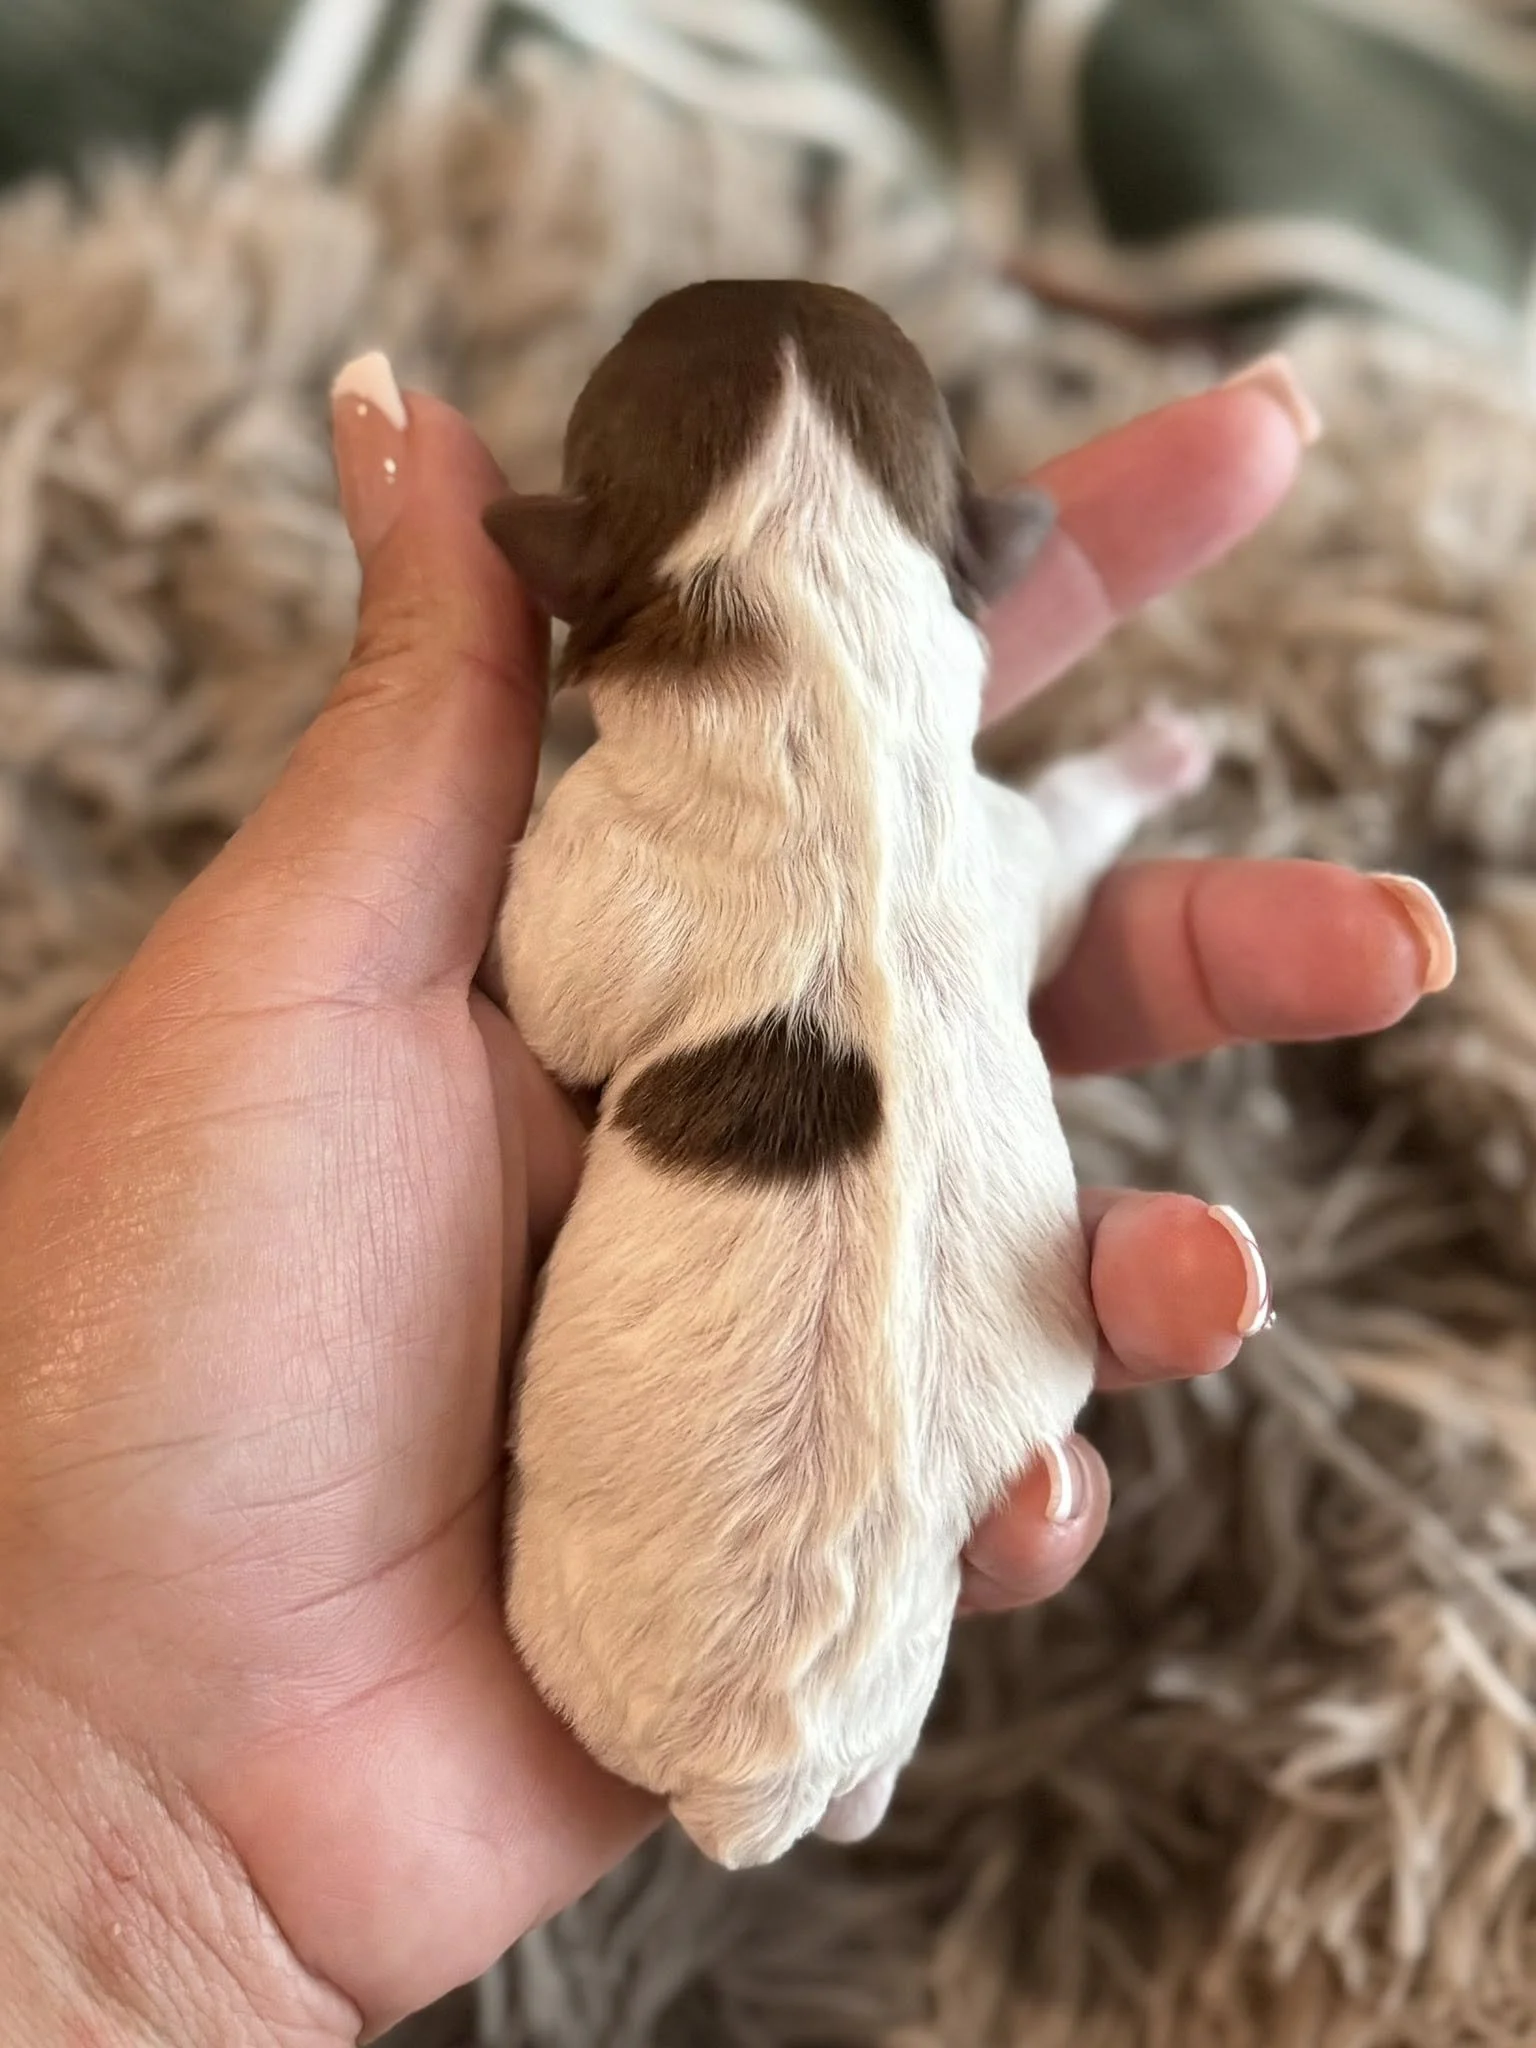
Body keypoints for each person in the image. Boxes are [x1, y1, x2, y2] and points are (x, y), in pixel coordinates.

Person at [0, 357, 1453, 2044]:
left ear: (570, 590)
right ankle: (857, 1757)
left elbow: (557, 1002)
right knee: (985, 1439)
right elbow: (1052, 862)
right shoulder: (972, 840)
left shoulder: (640, 830)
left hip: (604, 1634)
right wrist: (1121, 779)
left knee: (934, 1428)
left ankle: (816, 1739)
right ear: (974, 566)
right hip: (927, 1436)